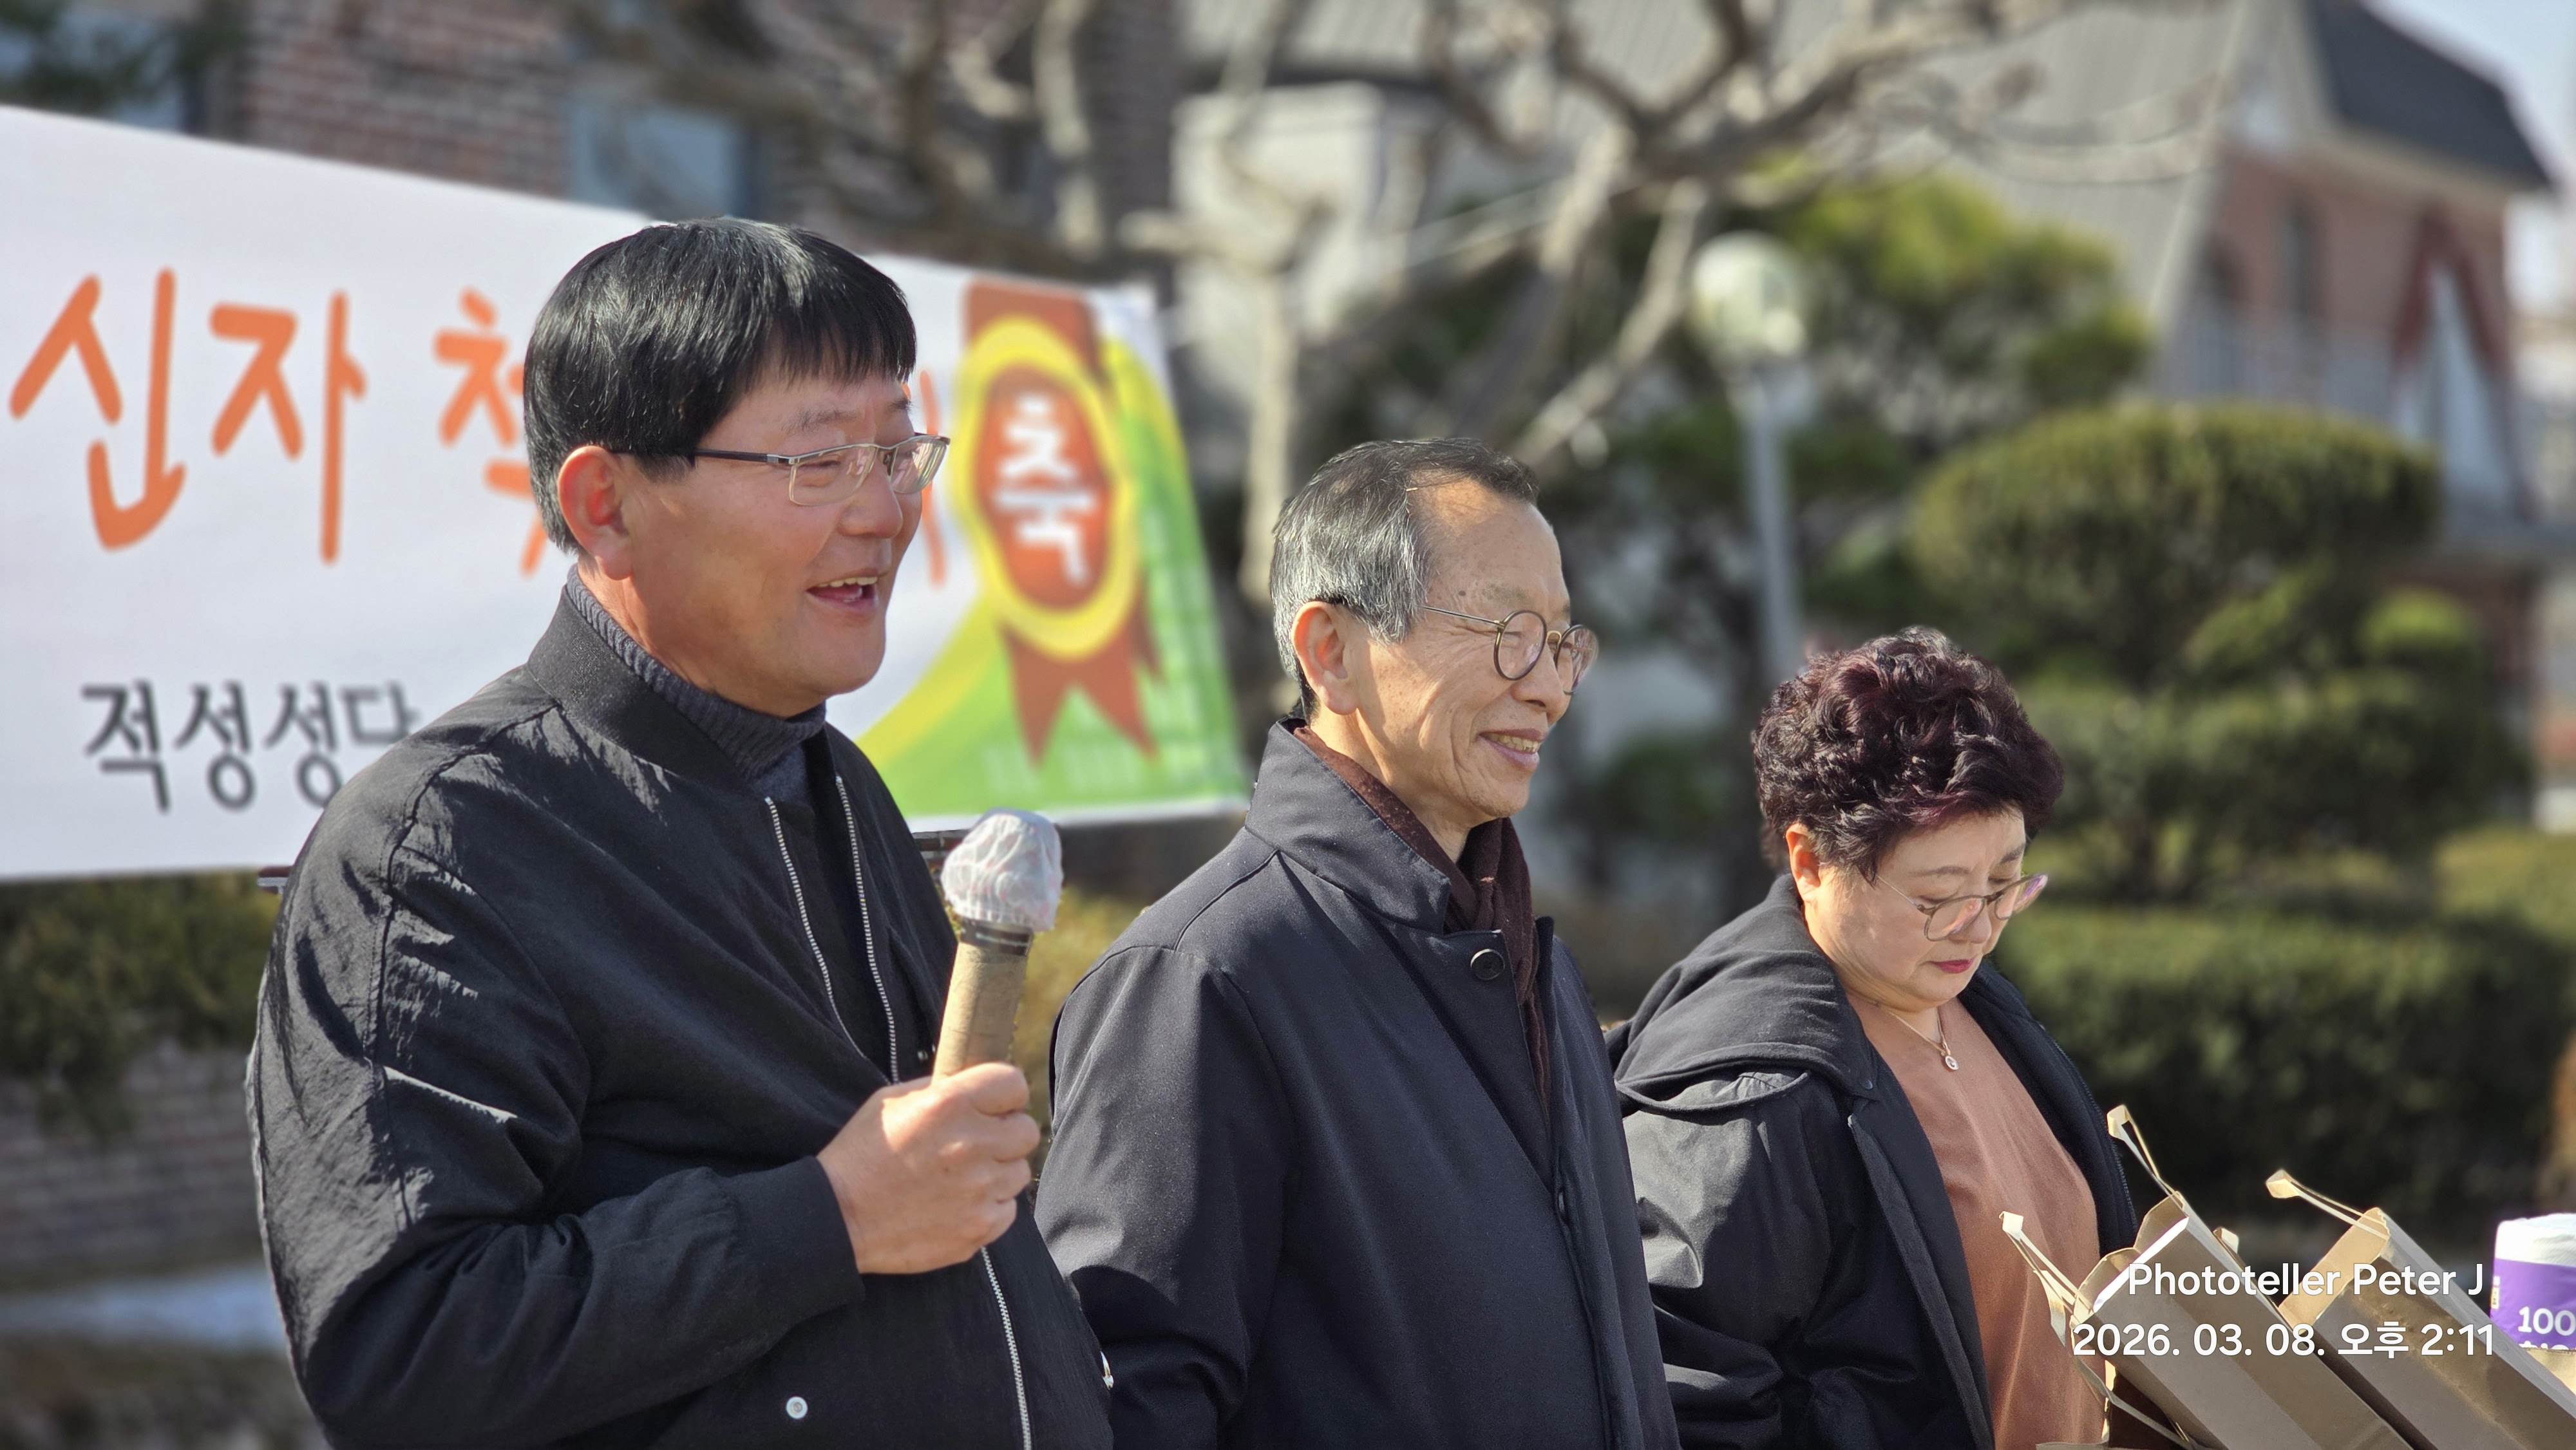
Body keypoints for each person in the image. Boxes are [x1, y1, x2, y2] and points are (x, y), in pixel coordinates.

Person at [250, 219, 1110, 1448]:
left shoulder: (838, 783)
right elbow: (406, 1345)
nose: (883, 510)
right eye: (819, 460)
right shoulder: (441, 843)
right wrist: (826, 1218)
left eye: (897, 447)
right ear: (606, 503)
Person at [1036, 438, 1681, 1450]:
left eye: (1562, 641)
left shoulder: (1531, 961)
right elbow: (1129, 1404)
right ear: (1331, 651)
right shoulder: (1202, 980)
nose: (1551, 688)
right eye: (1508, 633)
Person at [1610, 628, 2139, 1450]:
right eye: (1937, 896)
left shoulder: (1962, 993)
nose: (1979, 926)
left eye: (2005, 882)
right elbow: (1682, 1393)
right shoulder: (1751, 1093)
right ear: (1810, 861)